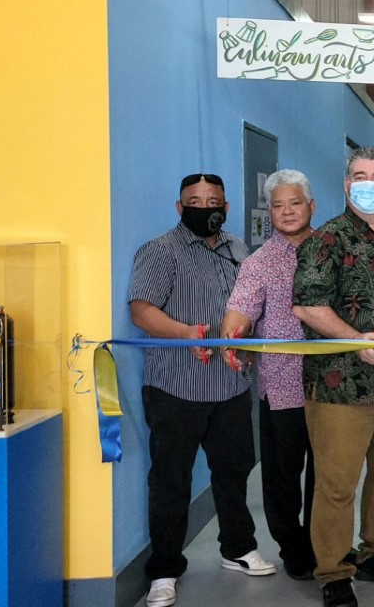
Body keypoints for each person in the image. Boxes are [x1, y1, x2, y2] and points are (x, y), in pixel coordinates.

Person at [129, 173, 274, 607]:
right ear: (180, 207)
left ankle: (237, 548)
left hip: (229, 387)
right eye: (195, 200)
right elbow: (141, 311)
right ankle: (165, 570)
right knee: (170, 481)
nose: (204, 206)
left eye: (213, 200)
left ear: (226, 208)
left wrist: (245, 339)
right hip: (176, 388)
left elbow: (250, 307)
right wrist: (185, 334)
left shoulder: (238, 250)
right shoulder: (160, 251)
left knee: (233, 474)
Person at [293, 147, 374, 607]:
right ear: (347, 184)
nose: (369, 183)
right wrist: (354, 338)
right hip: (340, 387)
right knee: (336, 484)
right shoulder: (325, 241)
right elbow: (308, 306)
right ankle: (333, 570)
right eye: (359, 175)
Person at [221, 169, 318, 581]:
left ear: (311, 206)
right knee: (282, 476)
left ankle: (324, 542)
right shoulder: (259, 262)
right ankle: (294, 547)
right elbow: (239, 311)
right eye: (278, 205)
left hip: (335, 386)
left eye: (295, 203)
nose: (287, 212)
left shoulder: (334, 250)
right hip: (282, 386)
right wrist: (232, 338)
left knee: (329, 473)